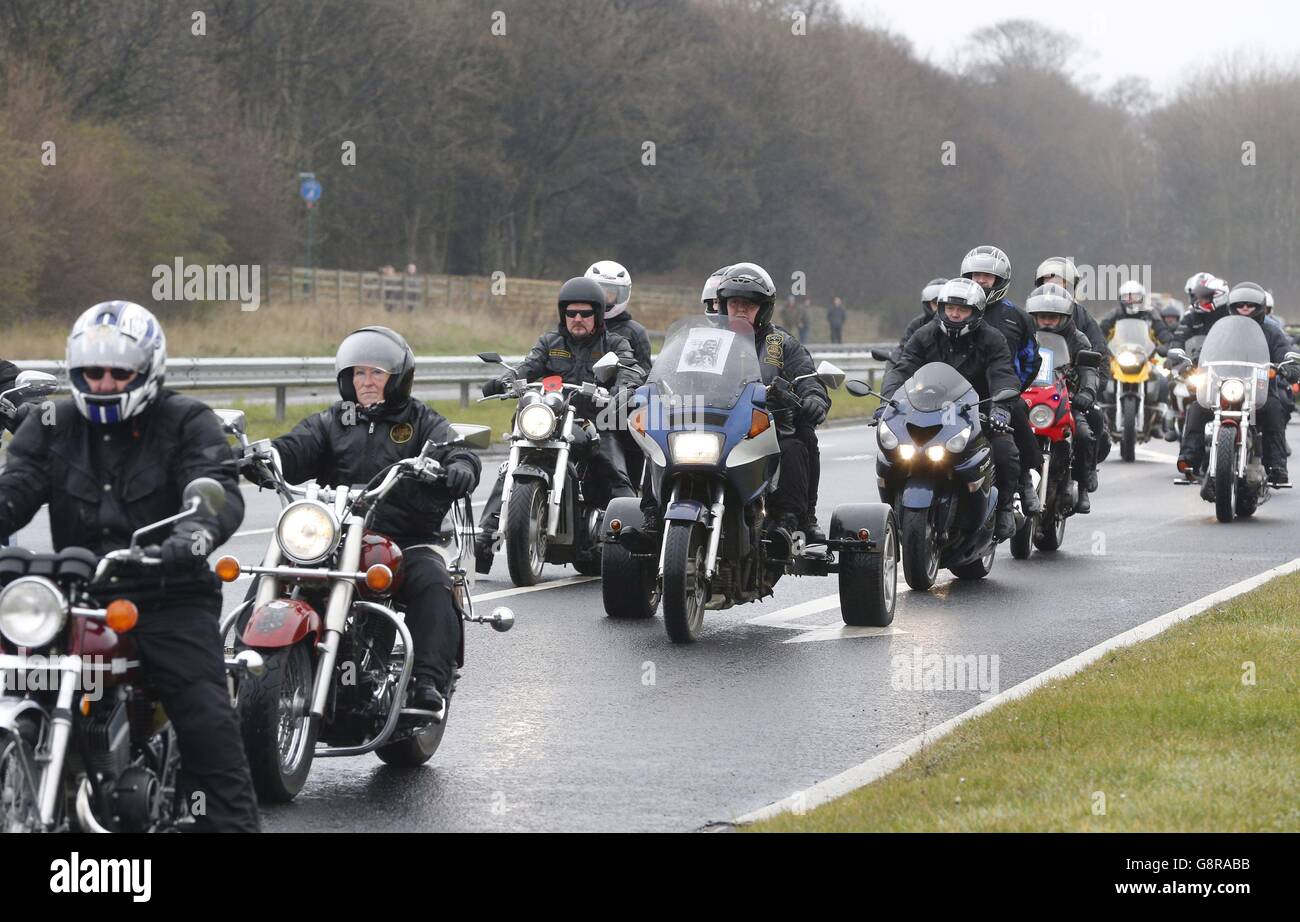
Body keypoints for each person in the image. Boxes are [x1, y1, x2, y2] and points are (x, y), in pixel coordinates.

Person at [0, 301, 259, 832]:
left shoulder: (186, 420)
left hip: (166, 594)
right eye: (93, 372)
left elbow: (215, 491)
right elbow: (15, 486)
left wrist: (191, 537)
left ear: (147, 371)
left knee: (208, 723)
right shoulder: (52, 422)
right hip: (74, 597)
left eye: (120, 372)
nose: (105, 382)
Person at [254, 326, 480, 714]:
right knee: (276, 571)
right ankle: (247, 665)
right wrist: (267, 456)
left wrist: (460, 467)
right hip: (337, 536)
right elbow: (297, 445)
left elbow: (455, 450)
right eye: (359, 373)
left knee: (432, 584)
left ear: (396, 378)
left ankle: (428, 681)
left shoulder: (422, 420)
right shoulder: (333, 421)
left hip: (407, 537)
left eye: (377, 373)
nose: (367, 382)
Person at [475, 277, 644, 571]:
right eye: (571, 313)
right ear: (562, 314)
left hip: (595, 420)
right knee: (511, 465)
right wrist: (505, 382)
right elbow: (527, 367)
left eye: (585, 313)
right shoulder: (550, 342)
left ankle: (640, 540)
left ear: (598, 315)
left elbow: (630, 369)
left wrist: (623, 389)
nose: (577, 319)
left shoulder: (614, 344)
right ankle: (485, 537)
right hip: (551, 418)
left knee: (610, 467)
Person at [879, 278, 1023, 540]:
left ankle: (1002, 508)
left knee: (1004, 451)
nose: (955, 314)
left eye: (963, 310)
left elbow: (1003, 374)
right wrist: (886, 402)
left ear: (976, 312)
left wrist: (1000, 409)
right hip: (928, 410)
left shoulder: (993, 339)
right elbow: (902, 369)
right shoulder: (924, 335)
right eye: (949, 308)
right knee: (893, 452)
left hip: (977, 411)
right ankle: (895, 512)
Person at [715, 266, 828, 535]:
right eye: (734, 303)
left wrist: (813, 397)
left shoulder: (782, 344)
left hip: (765, 428)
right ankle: (653, 513)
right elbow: (677, 375)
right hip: (716, 426)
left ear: (763, 308)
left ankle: (792, 519)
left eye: (749, 304)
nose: (740, 310)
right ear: (724, 306)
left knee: (797, 441)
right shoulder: (709, 343)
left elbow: (808, 377)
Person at [1168, 280, 1299, 485]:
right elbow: (1205, 353)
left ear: (1260, 307)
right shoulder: (1222, 330)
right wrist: (1191, 363)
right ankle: (1189, 459)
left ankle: (1276, 466)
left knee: (1275, 409)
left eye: (1250, 305)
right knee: (1197, 407)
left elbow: (1285, 350)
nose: (1245, 309)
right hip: (1224, 388)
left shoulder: (1271, 331)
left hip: (1259, 392)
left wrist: (1290, 364)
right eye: (1240, 305)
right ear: (1232, 307)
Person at [961, 245, 1043, 515]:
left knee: (1017, 413)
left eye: (988, 276)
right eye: (976, 275)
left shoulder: (1017, 317)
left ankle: (1023, 483)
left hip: (999, 395)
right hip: (957, 395)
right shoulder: (957, 310)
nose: (981, 280)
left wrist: (1011, 388)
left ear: (1000, 280)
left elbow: (1032, 359)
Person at [1023, 283, 1101, 513]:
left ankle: (1083, 485)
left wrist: (1086, 392)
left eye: (1053, 317)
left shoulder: (1078, 339)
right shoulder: (1023, 336)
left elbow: (1089, 370)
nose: (1047, 322)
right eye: (1042, 317)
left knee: (1085, 435)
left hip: (1067, 399)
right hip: (1031, 398)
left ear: (1065, 317)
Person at [1034, 256, 1109, 482]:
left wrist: (1089, 390)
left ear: (1070, 285)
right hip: (1035, 393)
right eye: (1047, 280)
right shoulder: (1028, 320)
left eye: (1060, 281)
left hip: (1069, 391)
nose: (1053, 284)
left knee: (1090, 426)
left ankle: (1085, 476)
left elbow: (1098, 357)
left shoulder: (1082, 321)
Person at [586, 259, 652, 486]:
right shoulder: (579, 324)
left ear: (622, 295)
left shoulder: (634, 332)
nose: (605, 298)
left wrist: (623, 392)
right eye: (599, 291)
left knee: (631, 435)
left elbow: (642, 371)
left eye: (610, 293)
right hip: (580, 402)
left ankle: (627, 493)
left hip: (615, 408)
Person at [1099, 280, 1172, 346]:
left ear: (1142, 298)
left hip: (1147, 356)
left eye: (1135, 297)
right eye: (1127, 297)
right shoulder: (1114, 315)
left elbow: (1162, 332)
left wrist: (1167, 344)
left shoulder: (1150, 315)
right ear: (1121, 299)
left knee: (1162, 360)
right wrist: (1100, 345)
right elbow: (1100, 333)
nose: (1131, 301)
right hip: (1117, 355)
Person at [894, 278, 947, 358]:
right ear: (928, 304)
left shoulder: (961, 325)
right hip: (922, 368)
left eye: (945, 304)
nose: (940, 307)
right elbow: (903, 349)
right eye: (936, 303)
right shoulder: (917, 324)